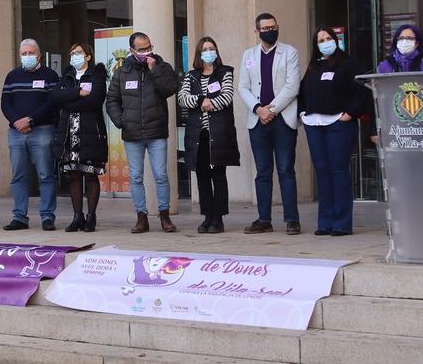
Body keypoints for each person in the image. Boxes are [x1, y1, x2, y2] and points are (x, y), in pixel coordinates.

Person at [106, 31, 179, 233]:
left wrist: (153, 70)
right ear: (132, 50)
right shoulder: (122, 72)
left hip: (156, 132)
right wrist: (121, 121)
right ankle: (141, 217)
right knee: (136, 176)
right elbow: (112, 100)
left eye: (149, 47)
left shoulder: (161, 66)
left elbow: (170, 89)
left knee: (161, 175)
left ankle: (164, 215)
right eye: (142, 49)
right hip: (132, 133)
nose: (147, 52)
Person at [298, 27, 369, 236]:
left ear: (336, 40)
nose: (325, 42)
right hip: (314, 124)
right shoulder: (313, 67)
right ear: (316, 44)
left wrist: (350, 113)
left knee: (339, 172)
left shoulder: (348, 64)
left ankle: (341, 223)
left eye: (329, 38)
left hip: (339, 123)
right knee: (322, 173)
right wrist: (303, 113)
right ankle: (325, 222)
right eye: (321, 40)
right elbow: (302, 93)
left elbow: (362, 90)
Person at [238, 12, 303, 235]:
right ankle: (263, 219)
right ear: (257, 32)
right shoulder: (248, 55)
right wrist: (258, 109)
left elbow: (292, 87)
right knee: (262, 171)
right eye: (265, 28)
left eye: (273, 26)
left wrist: (270, 110)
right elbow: (243, 87)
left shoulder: (290, 52)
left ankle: (292, 219)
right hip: (257, 121)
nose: (270, 31)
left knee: (286, 170)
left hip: (282, 120)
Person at [1, 38, 62, 231]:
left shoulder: (50, 75)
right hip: (16, 132)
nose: (27, 56)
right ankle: (19, 217)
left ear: (39, 55)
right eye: (24, 53)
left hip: (42, 130)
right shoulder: (12, 76)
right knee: (18, 175)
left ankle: (47, 217)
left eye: (31, 53)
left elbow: (52, 103)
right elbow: (5, 103)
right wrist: (18, 122)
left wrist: (31, 120)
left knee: (45, 175)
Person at [179, 38, 238, 234]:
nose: (208, 52)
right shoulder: (191, 76)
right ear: (198, 53)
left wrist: (208, 104)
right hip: (198, 134)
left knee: (218, 175)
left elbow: (226, 97)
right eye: (204, 49)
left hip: (219, 133)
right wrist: (200, 99)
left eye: (212, 48)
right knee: (202, 176)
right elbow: (182, 98)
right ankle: (207, 216)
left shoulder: (225, 72)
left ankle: (218, 218)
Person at [51, 43, 108, 233]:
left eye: (78, 53)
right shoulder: (67, 75)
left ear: (88, 56)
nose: (74, 56)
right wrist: (77, 92)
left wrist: (69, 103)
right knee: (73, 175)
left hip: (91, 132)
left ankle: (91, 216)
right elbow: (56, 97)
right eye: (72, 53)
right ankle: (77, 216)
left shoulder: (97, 74)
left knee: (90, 174)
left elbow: (95, 101)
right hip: (69, 133)